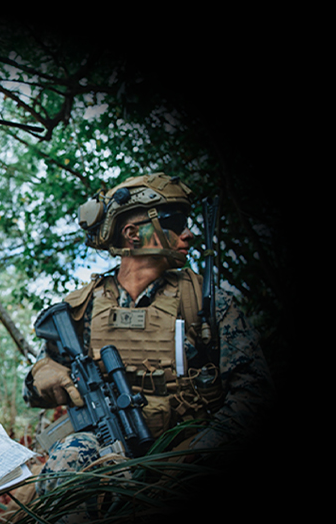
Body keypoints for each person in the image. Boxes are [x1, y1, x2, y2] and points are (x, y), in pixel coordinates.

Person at [23, 172, 273, 498]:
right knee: (71, 454)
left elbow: (254, 395)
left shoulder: (202, 302)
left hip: (188, 454)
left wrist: (194, 453)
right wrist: (41, 375)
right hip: (108, 458)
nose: (189, 233)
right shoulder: (80, 311)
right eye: (175, 222)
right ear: (133, 235)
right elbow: (34, 391)